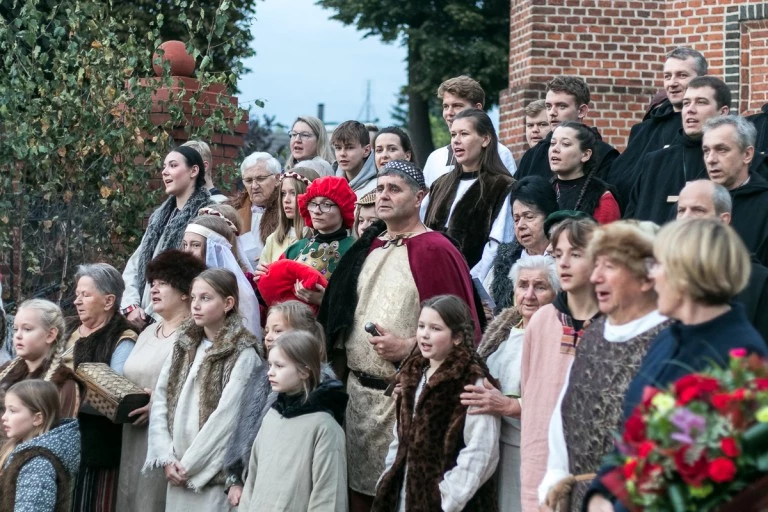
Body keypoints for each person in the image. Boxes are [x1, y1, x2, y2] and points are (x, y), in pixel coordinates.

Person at [319, 159, 481, 511]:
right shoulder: (372, 245)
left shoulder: (435, 250)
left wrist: (409, 347)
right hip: (357, 398)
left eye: (395, 189)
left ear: (419, 196)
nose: (384, 195)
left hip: (404, 400)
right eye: (380, 188)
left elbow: (461, 330)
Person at [584, 218, 768, 512]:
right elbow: (633, 435)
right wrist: (598, 495)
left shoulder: (739, 355)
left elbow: (709, 477)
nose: (652, 276)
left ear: (686, 272)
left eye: (658, 264)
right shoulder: (668, 338)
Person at [538, 221, 671, 511]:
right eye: (595, 265)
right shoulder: (596, 332)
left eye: (609, 266)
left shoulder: (671, 341)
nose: (596, 277)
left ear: (647, 277)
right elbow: (566, 412)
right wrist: (555, 478)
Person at [145, 268, 262, 511]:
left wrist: (189, 466)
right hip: (176, 469)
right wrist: (167, 457)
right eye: (194, 297)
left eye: (206, 298)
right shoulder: (184, 343)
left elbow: (227, 420)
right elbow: (161, 399)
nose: (196, 305)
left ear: (228, 303)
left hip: (209, 476)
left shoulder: (242, 353)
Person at [373, 295, 500, 511]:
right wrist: (388, 477)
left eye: (435, 328)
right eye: (421, 326)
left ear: (458, 337)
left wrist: (447, 498)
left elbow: (481, 450)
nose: (425, 334)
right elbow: (400, 436)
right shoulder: (413, 374)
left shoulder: (471, 381)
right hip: (404, 496)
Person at [519, 217, 599, 512]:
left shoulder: (611, 328)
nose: (563, 263)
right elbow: (530, 397)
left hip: (591, 473)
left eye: (575, 254)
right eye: (556, 254)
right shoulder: (541, 320)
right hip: (539, 467)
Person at [468, 256, 559, 512]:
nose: (529, 295)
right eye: (522, 285)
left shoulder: (560, 336)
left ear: (556, 293)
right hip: (490, 442)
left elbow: (559, 401)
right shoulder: (506, 328)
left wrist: (509, 405)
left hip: (527, 449)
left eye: (540, 287)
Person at [116, 250, 206, 512]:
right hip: (132, 437)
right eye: (152, 283)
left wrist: (157, 401)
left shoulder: (193, 336)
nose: (154, 289)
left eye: (163, 283)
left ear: (185, 291)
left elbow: (196, 389)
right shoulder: (146, 332)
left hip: (165, 440)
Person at [224, 300, 327, 507]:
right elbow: (242, 430)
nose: (268, 337)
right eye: (266, 330)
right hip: (255, 491)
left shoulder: (319, 394)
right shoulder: (262, 376)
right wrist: (235, 478)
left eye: (277, 330)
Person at [239, 330, 348, 511]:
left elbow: (328, 495)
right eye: (270, 365)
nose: (270, 373)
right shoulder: (272, 416)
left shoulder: (324, 427)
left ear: (305, 372)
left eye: (279, 366)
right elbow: (252, 480)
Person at [65, 263, 137, 512]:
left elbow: (115, 399)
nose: (77, 301)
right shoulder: (69, 329)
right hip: (64, 444)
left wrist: (66, 396)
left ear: (108, 301)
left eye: (85, 295)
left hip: (98, 450)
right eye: (77, 294)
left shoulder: (122, 338)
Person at [606, 47, 708, 208]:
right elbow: (620, 180)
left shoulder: (710, 128)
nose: (672, 83)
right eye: (668, 76)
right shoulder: (643, 130)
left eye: (682, 75)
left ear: (702, 79)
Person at [121, 146, 211, 326]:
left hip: (175, 319)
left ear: (194, 170)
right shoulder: (159, 217)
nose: (165, 172)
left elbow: (199, 274)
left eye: (173, 165)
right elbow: (135, 264)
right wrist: (131, 306)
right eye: (164, 167)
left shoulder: (206, 215)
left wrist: (151, 317)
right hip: (141, 315)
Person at [625, 76, 730, 223]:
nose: (690, 110)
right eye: (686, 103)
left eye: (701, 102)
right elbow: (632, 223)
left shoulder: (734, 161)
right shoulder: (655, 162)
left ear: (723, 112)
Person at [676, 180, 768, 341]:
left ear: (723, 219)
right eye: (681, 210)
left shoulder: (756, 281)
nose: (686, 218)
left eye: (698, 210)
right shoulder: (663, 273)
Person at [424, 108, 516, 269]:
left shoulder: (503, 186)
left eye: (464, 134)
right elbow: (421, 229)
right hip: (430, 276)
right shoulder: (440, 184)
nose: (456, 141)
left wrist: (467, 281)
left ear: (485, 139)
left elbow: (498, 245)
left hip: (471, 284)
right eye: (453, 135)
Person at [516, 76, 619, 181]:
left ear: (581, 111)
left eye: (561, 106)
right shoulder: (533, 155)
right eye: (548, 106)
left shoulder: (604, 155)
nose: (552, 112)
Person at [0, 380, 80, 511]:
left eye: (12, 411)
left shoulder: (37, 464)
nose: (4, 417)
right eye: (5, 409)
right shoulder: (18, 450)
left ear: (37, 418)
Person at [423, 75, 516, 187]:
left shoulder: (500, 153)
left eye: (457, 106)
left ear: (477, 108)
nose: (449, 113)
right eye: (446, 106)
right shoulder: (435, 158)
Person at [484, 176, 559, 313]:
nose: (521, 226)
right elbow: (487, 304)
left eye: (529, 217)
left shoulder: (563, 260)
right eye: (516, 219)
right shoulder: (504, 260)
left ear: (550, 216)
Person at [702, 115, 768, 265]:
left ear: (747, 154)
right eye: (706, 151)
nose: (711, 159)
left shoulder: (764, 205)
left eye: (721, 150)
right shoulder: (692, 202)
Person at [0, 299, 81, 419]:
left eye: (27, 329)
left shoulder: (64, 382)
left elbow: (60, 435)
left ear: (50, 335)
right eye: (16, 329)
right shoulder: (6, 371)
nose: (18, 335)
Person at [183, 215, 262, 336]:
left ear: (214, 249)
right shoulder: (183, 281)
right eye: (185, 245)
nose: (187, 251)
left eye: (195, 245)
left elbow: (246, 334)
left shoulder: (238, 289)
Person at [549, 122, 620, 223]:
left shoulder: (601, 198)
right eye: (552, 143)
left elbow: (607, 238)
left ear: (585, 154)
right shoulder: (542, 191)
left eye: (565, 144)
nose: (555, 149)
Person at [260, 166, 321, 264]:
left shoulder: (321, 238)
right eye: (283, 193)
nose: (286, 200)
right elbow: (262, 275)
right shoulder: (273, 239)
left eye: (293, 193)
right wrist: (261, 274)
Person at [233, 151, 282, 265]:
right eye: (249, 181)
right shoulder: (233, 211)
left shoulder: (287, 210)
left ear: (277, 178)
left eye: (260, 178)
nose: (254, 186)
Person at [333, 120, 377, 198]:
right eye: (338, 148)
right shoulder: (330, 182)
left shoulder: (379, 186)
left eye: (350, 148)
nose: (342, 153)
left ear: (366, 150)